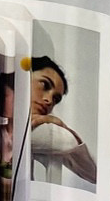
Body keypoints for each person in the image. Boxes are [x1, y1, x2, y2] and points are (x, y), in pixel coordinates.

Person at [29, 54, 97, 186]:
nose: (49, 100)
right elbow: (67, 141)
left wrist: (59, 125)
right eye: (45, 85)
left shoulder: (40, 128)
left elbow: (94, 174)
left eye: (56, 99)